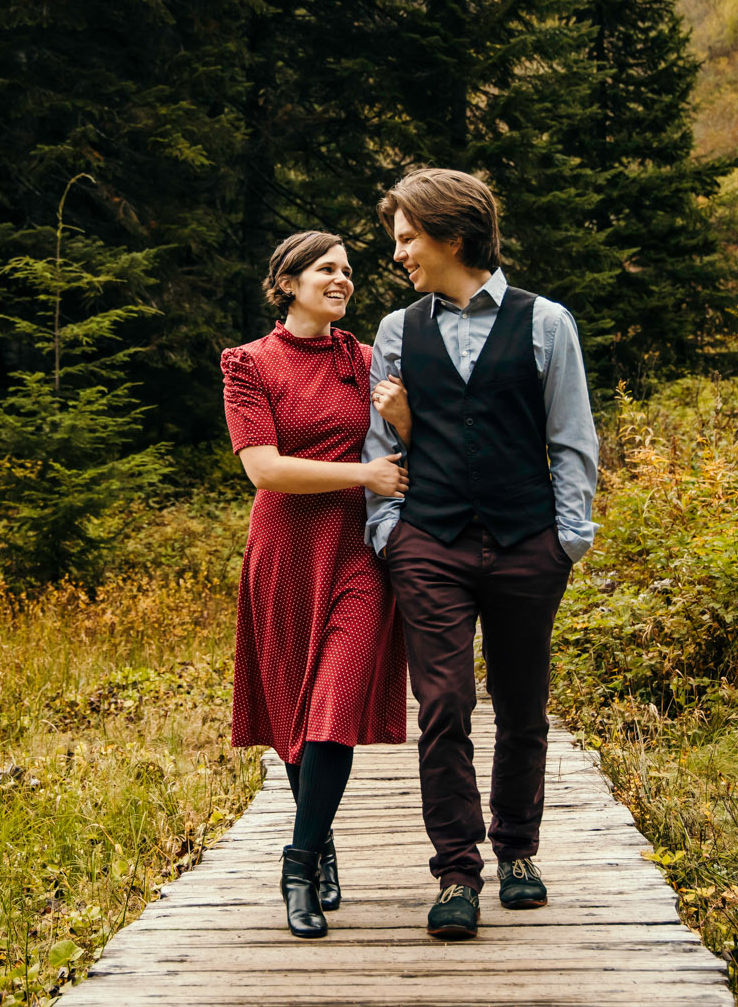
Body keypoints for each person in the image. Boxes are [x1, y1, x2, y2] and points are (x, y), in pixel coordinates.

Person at [362, 168, 599, 941]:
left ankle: (519, 853)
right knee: (443, 704)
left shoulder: (546, 322)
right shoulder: (398, 331)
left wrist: (568, 540)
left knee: (524, 704)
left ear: (452, 237)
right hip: (430, 540)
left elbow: (570, 441)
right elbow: (383, 447)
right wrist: (390, 532)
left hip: (528, 540)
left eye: (407, 238)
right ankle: (457, 870)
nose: (399, 254)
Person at [220, 230, 412, 939]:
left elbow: (414, 445)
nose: (343, 279)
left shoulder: (368, 361)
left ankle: (297, 861)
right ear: (288, 281)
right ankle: (321, 836)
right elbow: (265, 469)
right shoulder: (248, 363)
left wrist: (402, 421)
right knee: (294, 715)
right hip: (285, 550)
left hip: (361, 553)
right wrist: (364, 474)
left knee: (332, 704)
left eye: (349, 270)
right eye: (327, 269)